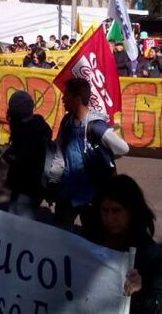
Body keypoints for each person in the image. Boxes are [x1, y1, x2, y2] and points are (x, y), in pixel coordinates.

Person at [54, 78, 129, 234]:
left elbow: (123, 148)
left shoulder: (96, 126)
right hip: (68, 192)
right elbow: (60, 154)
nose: (63, 99)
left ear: (78, 99)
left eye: (66, 95)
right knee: (60, 236)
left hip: (93, 197)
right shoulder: (66, 122)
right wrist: (53, 181)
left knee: (94, 238)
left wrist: (103, 153)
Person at [92, 175, 162, 314]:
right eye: (105, 210)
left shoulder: (148, 252)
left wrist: (139, 292)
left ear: (131, 212)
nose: (109, 218)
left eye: (116, 210)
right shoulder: (91, 240)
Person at [4, 91, 52, 219]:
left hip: (28, 186)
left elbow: (24, 161)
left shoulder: (28, 131)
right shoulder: (36, 126)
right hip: (29, 186)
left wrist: (8, 155)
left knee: (20, 222)